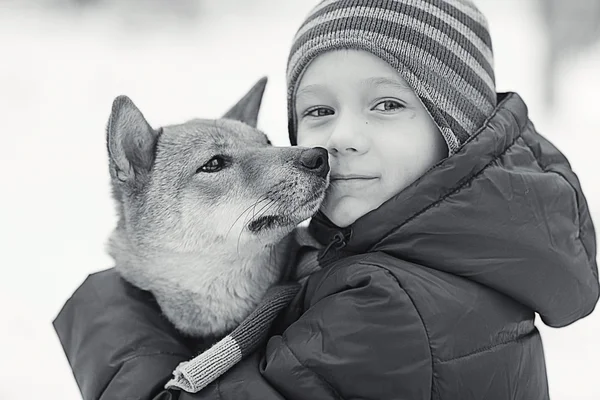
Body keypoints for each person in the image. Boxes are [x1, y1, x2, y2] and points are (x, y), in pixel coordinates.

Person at [54, 0, 599, 399]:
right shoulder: (375, 254)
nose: (328, 147)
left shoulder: (393, 303)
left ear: (454, 128)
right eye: (318, 113)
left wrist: (110, 310)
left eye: (386, 104)